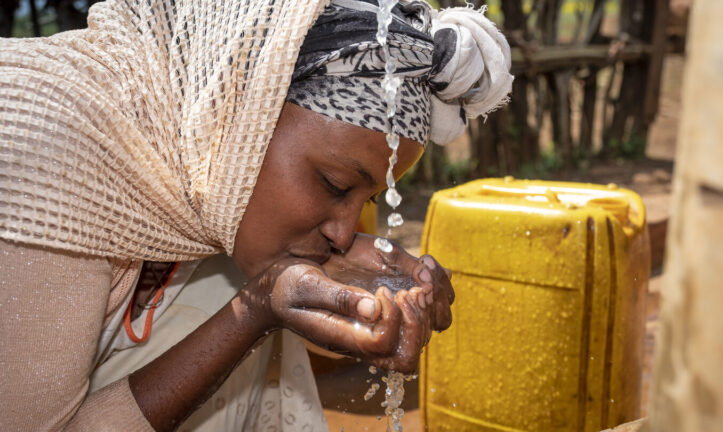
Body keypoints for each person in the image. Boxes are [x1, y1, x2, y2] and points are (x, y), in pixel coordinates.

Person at [0, 0, 513, 430]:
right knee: (232, 296)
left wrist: (357, 288)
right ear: (238, 108)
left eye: (368, 201)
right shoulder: (44, 155)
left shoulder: (188, 168)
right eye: (334, 184)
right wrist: (255, 312)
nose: (343, 231)